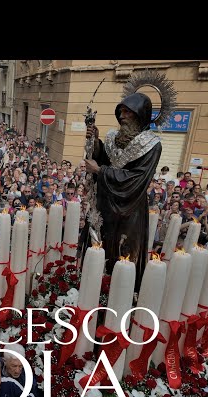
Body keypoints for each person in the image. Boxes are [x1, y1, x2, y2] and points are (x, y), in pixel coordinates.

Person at [83, 92, 163, 292]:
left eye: (128, 112)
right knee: (99, 244)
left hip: (130, 208)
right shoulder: (112, 137)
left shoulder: (152, 145)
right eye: (121, 111)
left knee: (123, 253)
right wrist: (95, 142)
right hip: (105, 204)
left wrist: (100, 171)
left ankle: (120, 293)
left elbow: (137, 179)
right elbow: (102, 159)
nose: (123, 116)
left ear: (141, 115)